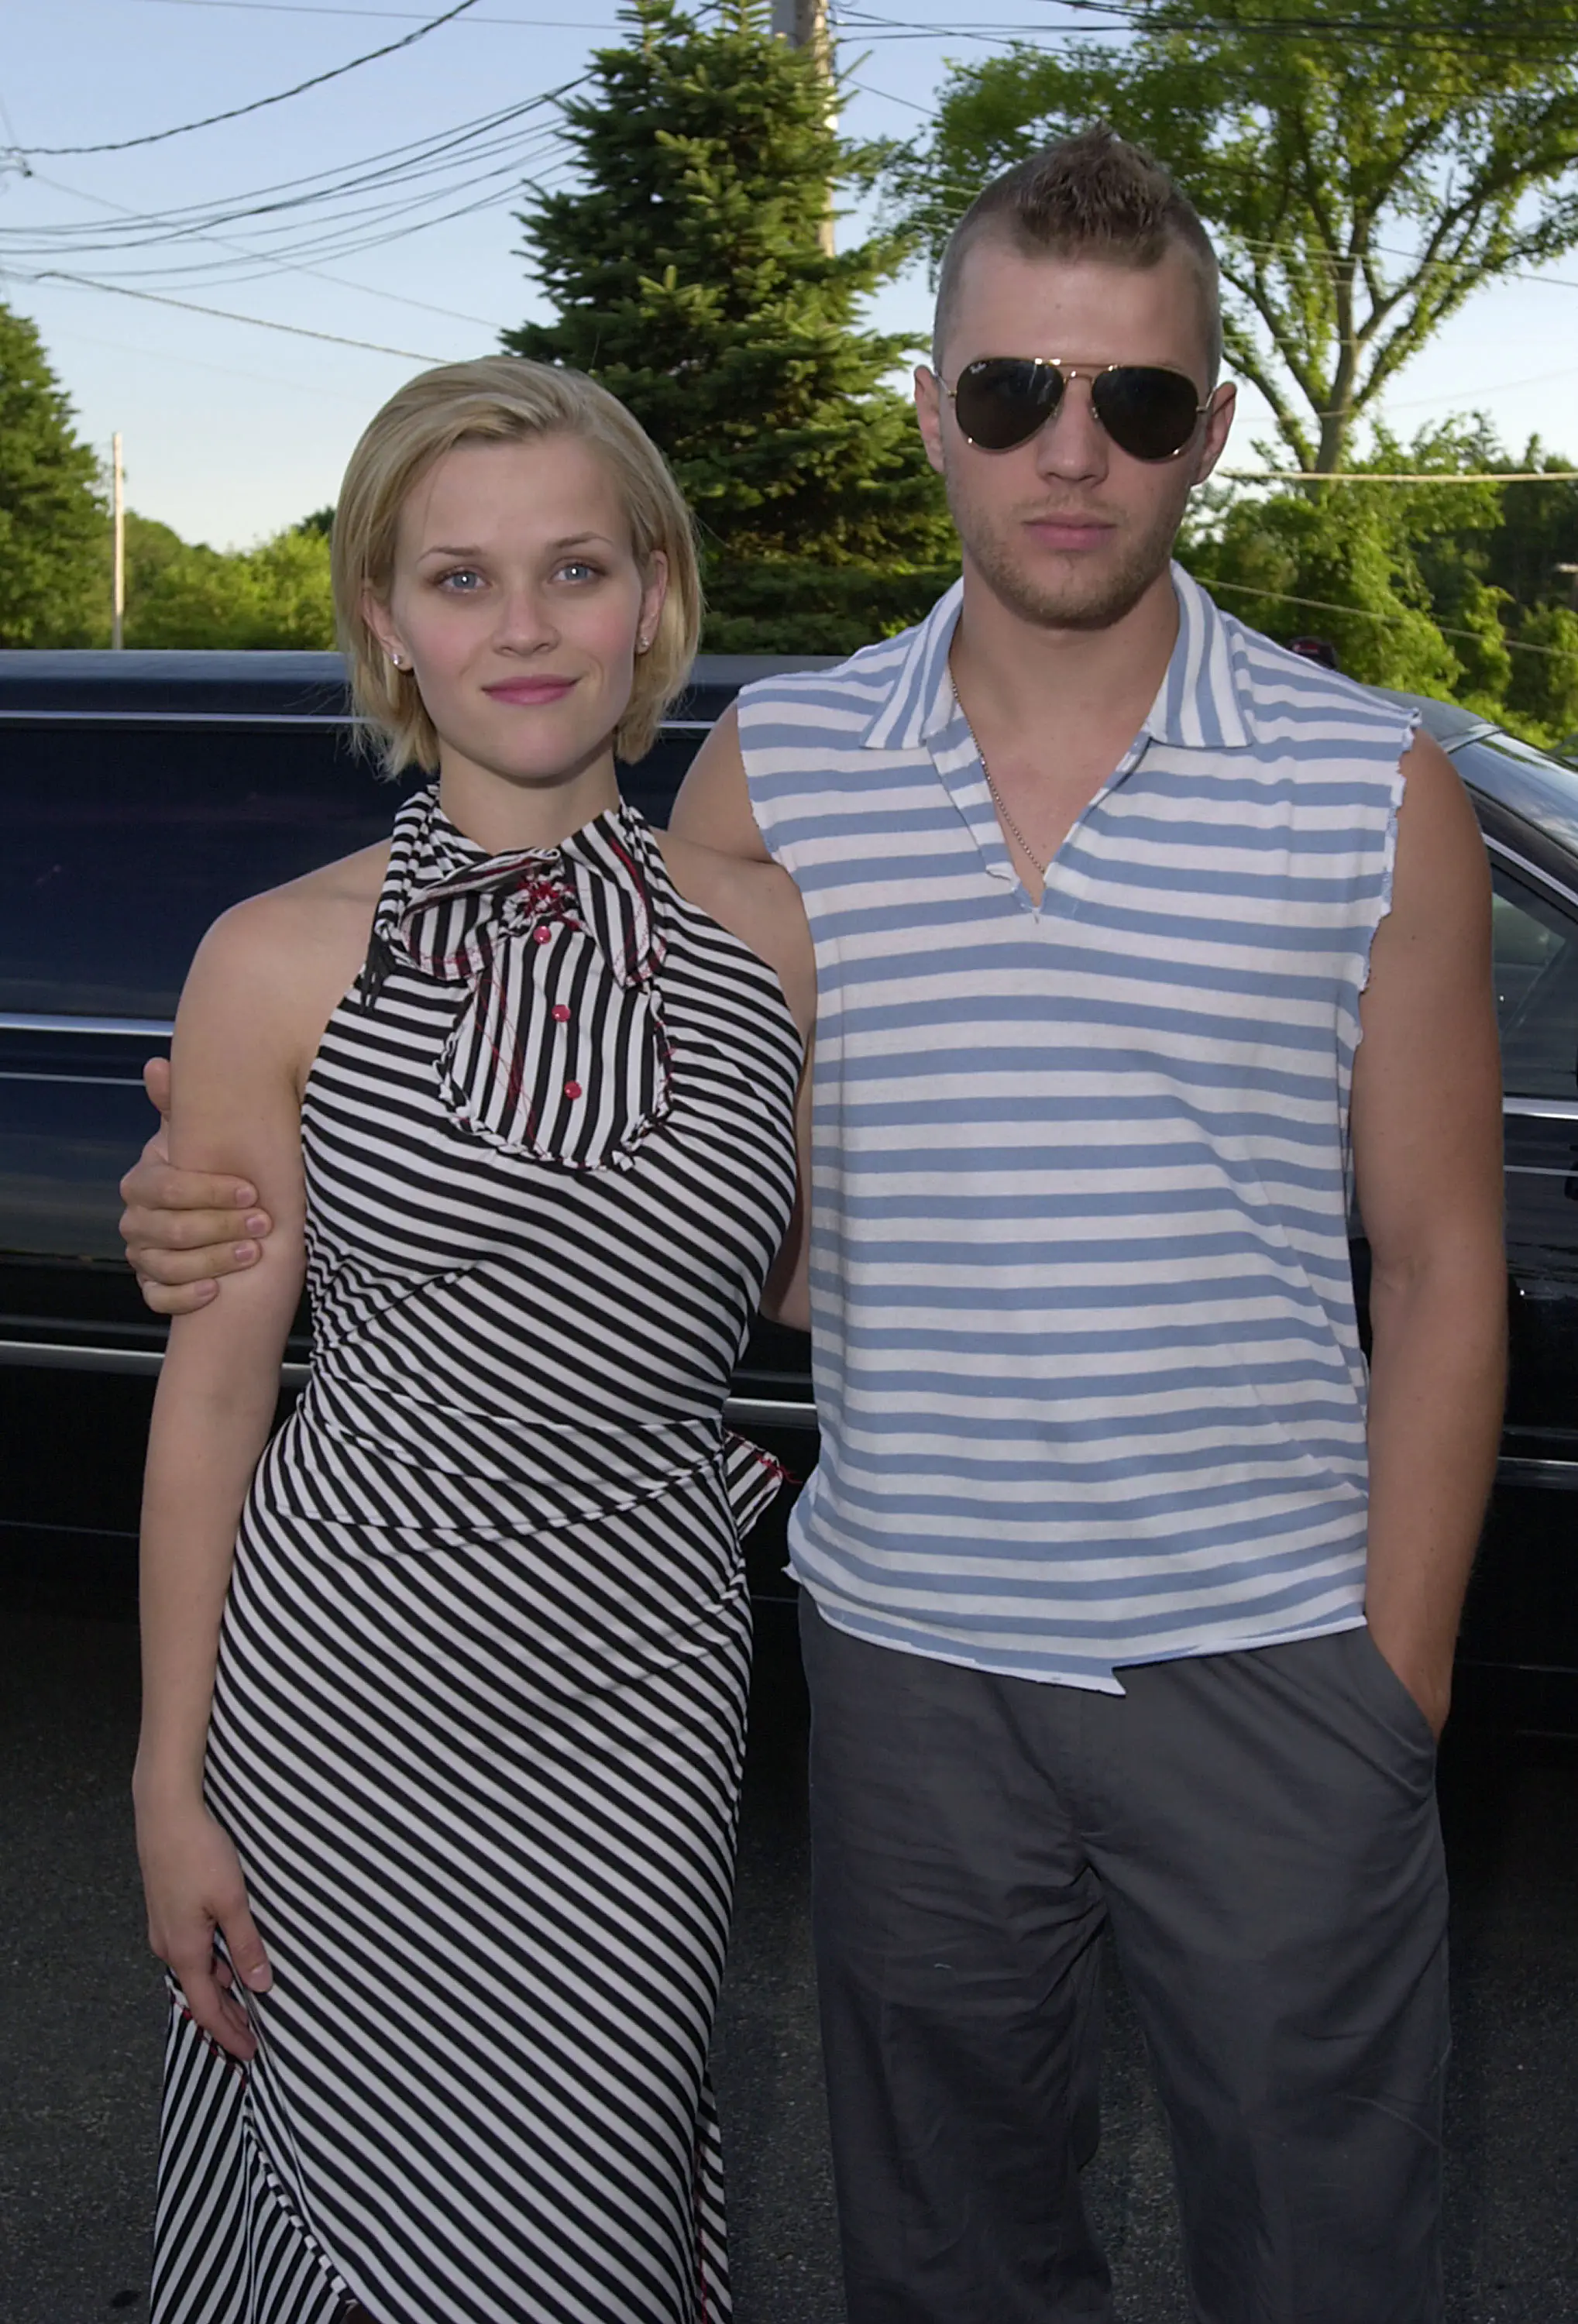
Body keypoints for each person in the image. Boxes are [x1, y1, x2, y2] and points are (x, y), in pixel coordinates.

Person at [122, 134, 1508, 2324]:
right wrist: (224, 1197)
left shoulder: (1370, 783)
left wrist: (1388, 1693)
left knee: (1328, 2262)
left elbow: (1439, 1263)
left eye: (1137, 403)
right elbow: (695, 1208)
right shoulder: (783, 778)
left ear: (1210, 431)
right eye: (1009, 394)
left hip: (1266, 1670)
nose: (1073, 454)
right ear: (931, 402)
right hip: (901, 1671)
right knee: (949, 2265)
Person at [127, 353, 813, 2324]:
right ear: (383, 623)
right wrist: (170, 1785)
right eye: (458, 581)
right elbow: (219, 1397)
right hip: (341, 1684)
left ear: (654, 596)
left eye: (573, 570)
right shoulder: (275, 954)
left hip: (641, 1686)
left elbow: (797, 1270)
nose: (522, 628)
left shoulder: (775, 931)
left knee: (576, 2221)